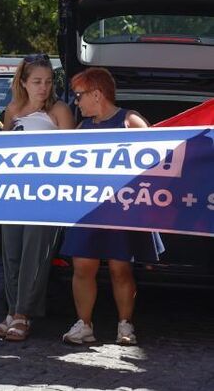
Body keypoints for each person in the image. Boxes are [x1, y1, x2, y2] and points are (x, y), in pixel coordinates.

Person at [60, 67, 163, 346]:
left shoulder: (130, 120)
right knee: (82, 266)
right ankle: (84, 325)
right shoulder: (83, 127)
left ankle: (125, 326)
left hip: (123, 210)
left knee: (121, 268)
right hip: (87, 210)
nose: (76, 102)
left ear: (97, 94)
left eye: (79, 95)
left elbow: (157, 161)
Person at [0, 54, 75, 342]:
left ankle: (24, 315)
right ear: (23, 82)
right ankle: (12, 309)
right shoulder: (12, 111)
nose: (43, 87)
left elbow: (74, 156)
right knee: (11, 252)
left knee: (34, 255)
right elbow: (2, 153)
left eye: (48, 82)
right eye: (37, 81)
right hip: (13, 192)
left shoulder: (59, 111)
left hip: (46, 193)